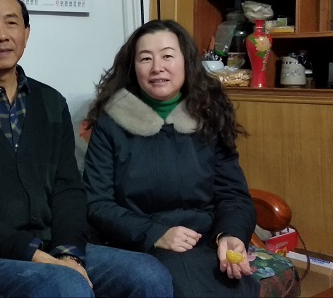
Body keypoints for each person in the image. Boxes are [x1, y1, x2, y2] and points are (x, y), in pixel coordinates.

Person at [0, 0, 174, 297]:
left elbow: (68, 187)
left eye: (12, 23)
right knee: (65, 287)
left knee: (148, 275)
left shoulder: (50, 101)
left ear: (26, 34)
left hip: (51, 245)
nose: (1, 35)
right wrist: (33, 254)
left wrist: (69, 254)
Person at [82, 19, 260, 297]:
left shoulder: (208, 115)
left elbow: (234, 195)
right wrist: (155, 233)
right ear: (133, 68)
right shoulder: (111, 121)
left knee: (231, 282)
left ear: (186, 62)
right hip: (139, 244)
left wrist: (230, 234)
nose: (157, 67)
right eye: (145, 58)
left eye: (167, 56)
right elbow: (97, 203)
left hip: (204, 239)